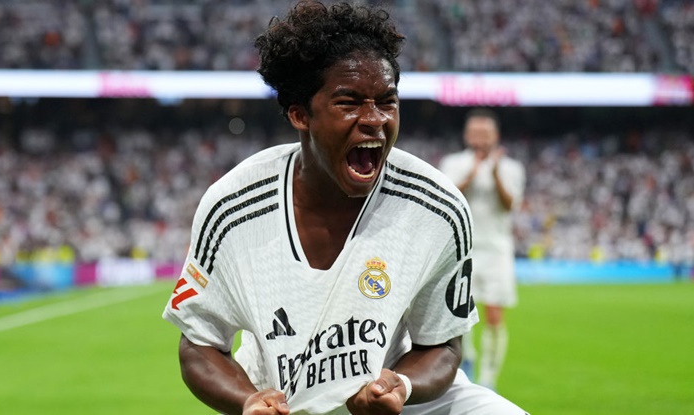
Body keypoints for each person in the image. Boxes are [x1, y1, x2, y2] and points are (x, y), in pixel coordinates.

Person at [163, 2, 528, 414]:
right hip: (281, 402)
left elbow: (443, 344)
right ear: (300, 114)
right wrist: (247, 400)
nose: (374, 119)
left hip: (401, 398)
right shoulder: (232, 206)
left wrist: (402, 385)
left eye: (387, 102)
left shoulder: (437, 207)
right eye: (349, 102)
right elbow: (200, 345)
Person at [438, 109, 526, 391]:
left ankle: (489, 378)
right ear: (467, 135)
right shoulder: (453, 163)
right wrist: (472, 173)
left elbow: (510, 205)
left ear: (495, 135)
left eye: (485, 133)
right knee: (460, 313)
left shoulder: (510, 167)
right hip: (462, 249)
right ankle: (468, 359)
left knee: (495, 314)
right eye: (475, 132)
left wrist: (496, 173)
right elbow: (447, 198)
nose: (480, 138)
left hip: (497, 249)